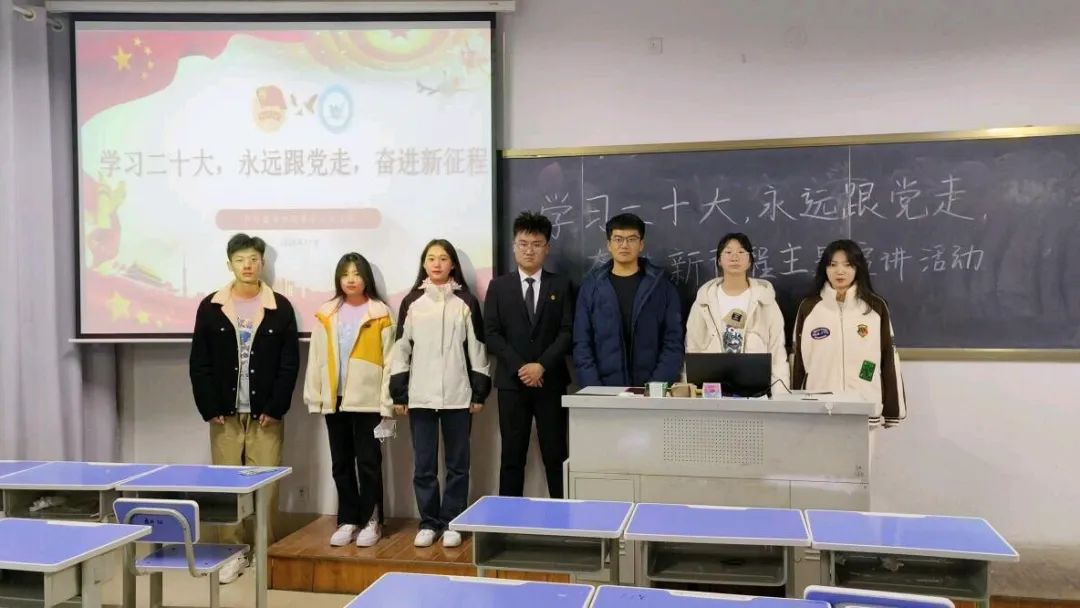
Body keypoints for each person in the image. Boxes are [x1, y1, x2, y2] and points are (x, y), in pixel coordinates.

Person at [189, 233, 299, 583]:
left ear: (262, 263)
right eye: (240, 260)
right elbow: (199, 362)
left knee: (266, 486)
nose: (247, 265)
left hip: (265, 415)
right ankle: (232, 552)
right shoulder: (211, 306)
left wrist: (276, 406)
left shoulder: (280, 307)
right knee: (226, 487)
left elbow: (289, 364)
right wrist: (210, 406)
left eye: (253, 259)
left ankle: (265, 551)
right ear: (230, 264)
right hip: (225, 414)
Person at [389, 239, 491, 548]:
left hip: (458, 397)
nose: (437, 263)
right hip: (420, 397)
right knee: (424, 466)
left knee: (458, 466)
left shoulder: (466, 302)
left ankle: (452, 522)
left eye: (443, 258)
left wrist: (478, 393)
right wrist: (399, 393)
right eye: (431, 258)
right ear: (424, 264)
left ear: (452, 264)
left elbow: (478, 350)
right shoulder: (412, 302)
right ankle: (429, 522)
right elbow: (400, 350)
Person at [303, 253, 394, 548]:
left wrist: (387, 402)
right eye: (345, 274)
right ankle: (348, 519)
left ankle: (372, 519)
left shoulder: (380, 313)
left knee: (368, 461)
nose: (351, 279)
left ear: (366, 277)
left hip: (367, 400)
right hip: (335, 397)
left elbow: (391, 361)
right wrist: (315, 396)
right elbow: (316, 358)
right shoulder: (327, 313)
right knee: (341, 462)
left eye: (356, 273)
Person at [484, 212, 574, 499]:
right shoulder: (499, 287)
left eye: (536, 244)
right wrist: (521, 367)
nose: (529, 250)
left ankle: (564, 516)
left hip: (551, 381)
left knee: (556, 453)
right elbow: (491, 334)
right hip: (512, 383)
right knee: (512, 455)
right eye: (523, 244)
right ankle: (508, 518)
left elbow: (568, 332)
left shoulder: (562, 285)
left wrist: (542, 365)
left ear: (547, 248)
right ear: (513, 246)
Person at [792, 239, 906, 426]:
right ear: (824, 268)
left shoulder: (875, 306)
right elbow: (798, 362)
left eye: (848, 265)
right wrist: (794, 408)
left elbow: (888, 357)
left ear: (858, 268)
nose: (840, 271)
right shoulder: (809, 307)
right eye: (833, 265)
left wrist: (892, 410)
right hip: (819, 407)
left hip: (864, 404)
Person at [573, 213, 683, 387]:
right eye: (618, 239)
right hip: (604, 391)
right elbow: (581, 343)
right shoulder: (591, 287)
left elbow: (673, 341)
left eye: (631, 239)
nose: (624, 245)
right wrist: (594, 389)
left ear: (641, 244)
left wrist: (655, 388)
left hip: (652, 391)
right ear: (609, 245)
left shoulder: (662, 287)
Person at [685, 233, 790, 393]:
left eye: (741, 252)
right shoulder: (704, 302)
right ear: (719, 260)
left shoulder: (765, 301)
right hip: (712, 392)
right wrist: (691, 393)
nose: (735, 257)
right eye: (728, 252)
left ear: (750, 260)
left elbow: (777, 353)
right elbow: (692, 348)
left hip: (757, 392)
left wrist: (780, 397)